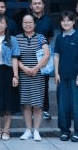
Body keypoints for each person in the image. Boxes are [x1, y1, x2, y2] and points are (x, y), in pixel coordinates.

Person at [54, 10, 78, 142]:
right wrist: (56, 73)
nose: (66, 23)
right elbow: (56, 56)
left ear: (73, 22)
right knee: (63, 106)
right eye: (63, 21)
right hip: (62, 77)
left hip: (76, 77)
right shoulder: (59, 38)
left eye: (68, 20)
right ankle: (64, 131)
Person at [16, 13, 50, 142]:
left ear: (34, 24)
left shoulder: (41, 38)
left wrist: (36, 68)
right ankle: (28, 130)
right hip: (23, 75)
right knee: (26, 104)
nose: (28, 25)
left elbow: (47, 54)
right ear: (22, 24)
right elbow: (14, 57)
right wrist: (24, 68)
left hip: (38, 75)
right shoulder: (17, 38)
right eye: (25, 22)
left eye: (30, 22)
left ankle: (36, 131)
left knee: (37, 104)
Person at [29, 0, 55, 120]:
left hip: (43, 55)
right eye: (34, 3)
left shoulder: (48, 21)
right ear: (31, 6)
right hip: (29, 54)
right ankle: (30, 110)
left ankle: (45, 109)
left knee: (44, 84)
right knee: (30, 83)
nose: (37, 5)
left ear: (43, 5)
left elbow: (50, 37)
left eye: (39, 3)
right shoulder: (27, 20)